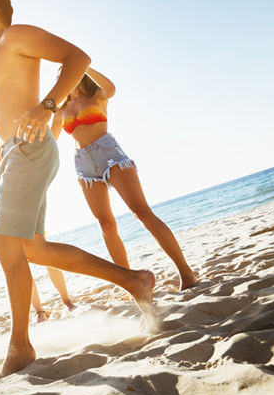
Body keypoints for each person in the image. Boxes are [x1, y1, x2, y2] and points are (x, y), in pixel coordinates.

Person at [0, 0, 157, 376]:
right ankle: (134, 280)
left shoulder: (14, 36)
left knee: (4, 245)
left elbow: (78, 58)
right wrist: (2, 151)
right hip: (14, 153)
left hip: (31, 149)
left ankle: (20, 347)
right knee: (31, 249)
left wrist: (48, 105)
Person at [51, 67, 196, 290]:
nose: (66, 77)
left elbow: (111, 88)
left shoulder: (97, 95)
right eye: (62, 75)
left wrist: (83, 64)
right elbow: (50, 139)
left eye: (69, 71)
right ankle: (131, 283)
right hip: (82, 164)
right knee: (106, 225)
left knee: (142, 212)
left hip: (109, 154)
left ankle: (186, 273)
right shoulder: (61, 110)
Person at [0, 124, 76, 322]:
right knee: (19, 263)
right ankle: (39, 312)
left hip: (21, 207)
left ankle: (67, 302)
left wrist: (1, 183)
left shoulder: (8, 150)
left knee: (43, 252)